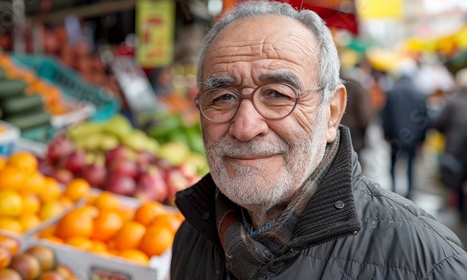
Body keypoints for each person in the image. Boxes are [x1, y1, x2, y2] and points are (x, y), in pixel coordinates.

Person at [170, 2, 467, 279]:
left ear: (332, 113)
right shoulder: (191, 237)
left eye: (277, 94)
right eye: (222, 97)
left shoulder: (428, 264)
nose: (245, 127)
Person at [381, 59, 429, 199]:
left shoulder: (392, 91)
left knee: (393, 164)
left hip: (395, 135)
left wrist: (386, 133)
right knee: (410, 164)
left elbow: (386, 115)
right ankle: (409, 193)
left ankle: (394, 190)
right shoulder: (420, 93)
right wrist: (422, 138)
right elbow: (424, 117)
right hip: (413, 137)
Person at [431, 68, 467, 222]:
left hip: (454, 147)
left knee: (457, 179)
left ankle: (460, 212)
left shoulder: (452, 102)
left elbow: (438, 123)